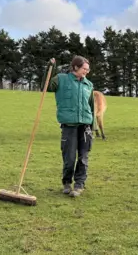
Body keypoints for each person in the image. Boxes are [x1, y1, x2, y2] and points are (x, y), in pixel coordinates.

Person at [42, 55, 95, 197]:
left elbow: (91, 107)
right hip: (69, 125)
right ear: (75, 67)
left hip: (85, 126)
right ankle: (67, 182)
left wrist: (92, 127)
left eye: (88, 69)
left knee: (83, 157)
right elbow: (45, 86)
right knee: (69, 157)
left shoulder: (88, 85)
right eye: (84, 69)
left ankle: (79, 185)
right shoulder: (61, 79)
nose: (86, 72)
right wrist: (49, 68)